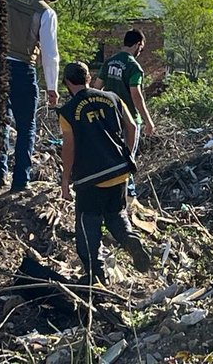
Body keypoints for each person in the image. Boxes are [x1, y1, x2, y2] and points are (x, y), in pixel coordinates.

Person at [58, 62, 151, 284]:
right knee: (115, 215)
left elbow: (68, 148)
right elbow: (132, 126)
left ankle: (96, 274)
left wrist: (65, 181)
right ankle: (130, 239)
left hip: (90, 178)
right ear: (89, 78)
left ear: (68, 83)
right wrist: (126, 155)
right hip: (119, 172)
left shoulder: (68, 111)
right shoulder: (112, 98)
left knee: (87, 225)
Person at [0, 0, 61, 192]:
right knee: (26, 126)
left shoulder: (5, 0)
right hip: (23, 69)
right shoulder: (45, 12)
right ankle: (20, 180)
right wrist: (52, 87)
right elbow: (50, 54)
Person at [93, 28, 155, 197]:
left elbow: (97, 88)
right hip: (130, 121)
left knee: (111, 155)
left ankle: (110, 192)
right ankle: (128, 195)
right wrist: (148, 120)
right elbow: (136, 95)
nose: (141, 51)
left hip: (109, 119)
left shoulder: (109, 62)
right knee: (128, 158)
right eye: (141, 48)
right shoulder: (134, 67)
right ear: (137, 44)